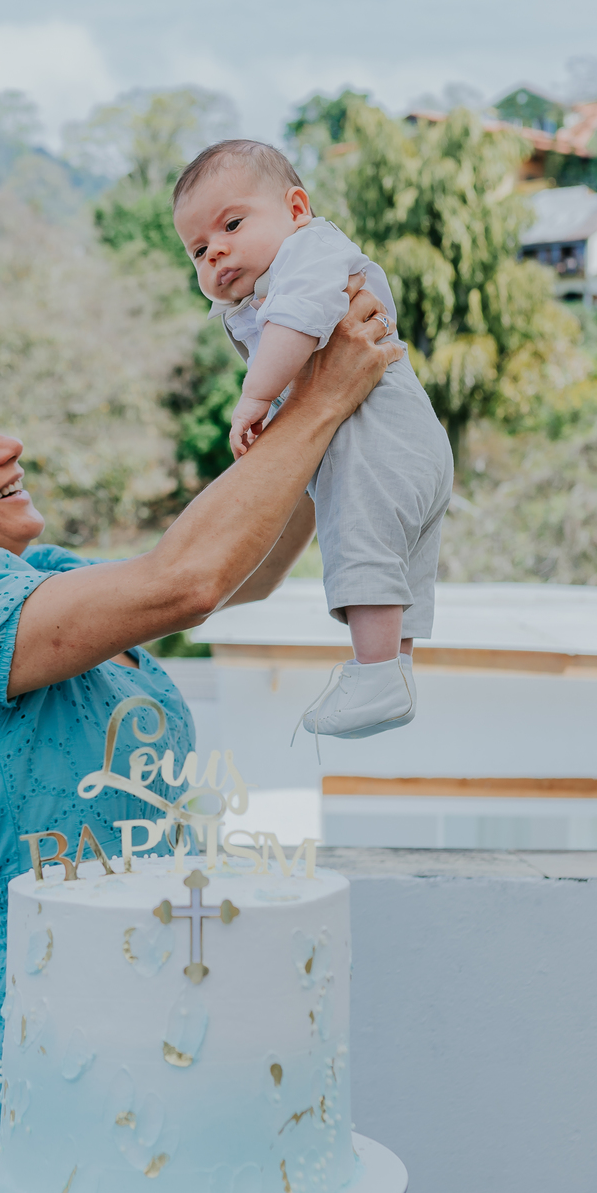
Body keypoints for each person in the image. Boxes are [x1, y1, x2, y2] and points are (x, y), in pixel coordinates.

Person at [0, 300, 399, 1193]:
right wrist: (321, 401)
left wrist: (327, 418)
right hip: (33, 1053)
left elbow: (237, 574)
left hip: (154, 1025)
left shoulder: (34, 580)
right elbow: (184, 579)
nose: (6, 445)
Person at [172, 139, 454, 744]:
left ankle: (374, 671)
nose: (215, 249)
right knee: (399, 564)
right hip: (408, 440)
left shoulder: (309, 252)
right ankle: (395, 672)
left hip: (378, 439)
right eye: (198, 250)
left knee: (361, 542)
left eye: (232, 224)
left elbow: (298, 322)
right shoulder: (268, 283)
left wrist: (253, 399)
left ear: (296, 207)